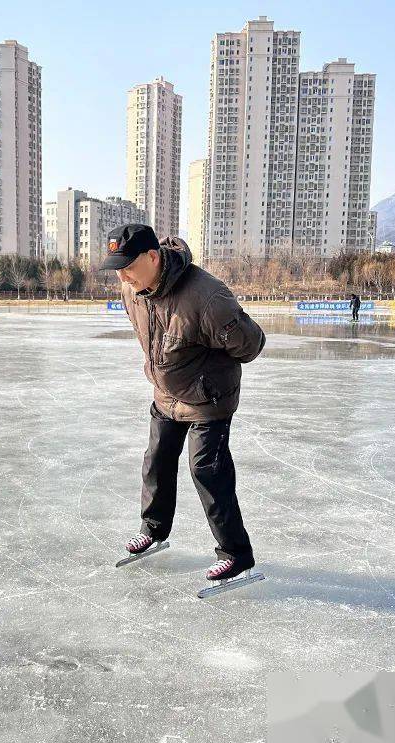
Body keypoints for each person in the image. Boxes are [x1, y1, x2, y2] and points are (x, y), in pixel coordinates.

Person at [100, 224, 266, 584]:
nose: (123, 276)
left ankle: (236, 554)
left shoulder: (206, 297)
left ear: (153, 257)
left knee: (206, 469)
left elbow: (251, 345)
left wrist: (216, 346)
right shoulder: (133, 291)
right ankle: (154, 528)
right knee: (156, 458)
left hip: (209, 398)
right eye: (118, 268)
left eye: (128, 266)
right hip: (166, 393)